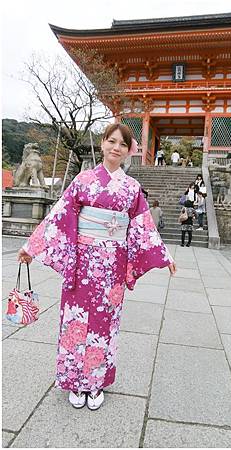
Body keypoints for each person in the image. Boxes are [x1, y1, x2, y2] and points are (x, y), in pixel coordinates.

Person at [17, 123, 176, 411]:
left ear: (129, 151)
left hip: (113, 265)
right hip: (82, 262)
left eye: (122, 144)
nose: (116, 148)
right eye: (111, 141)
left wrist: (163, 255)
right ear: (102, 144)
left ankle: (96, 381)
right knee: (75, 320)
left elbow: (143, 226)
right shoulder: (83, 180)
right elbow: (59, 216)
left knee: (105, 322)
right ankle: (74, 380)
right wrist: (31, 246)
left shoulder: (132, 188)